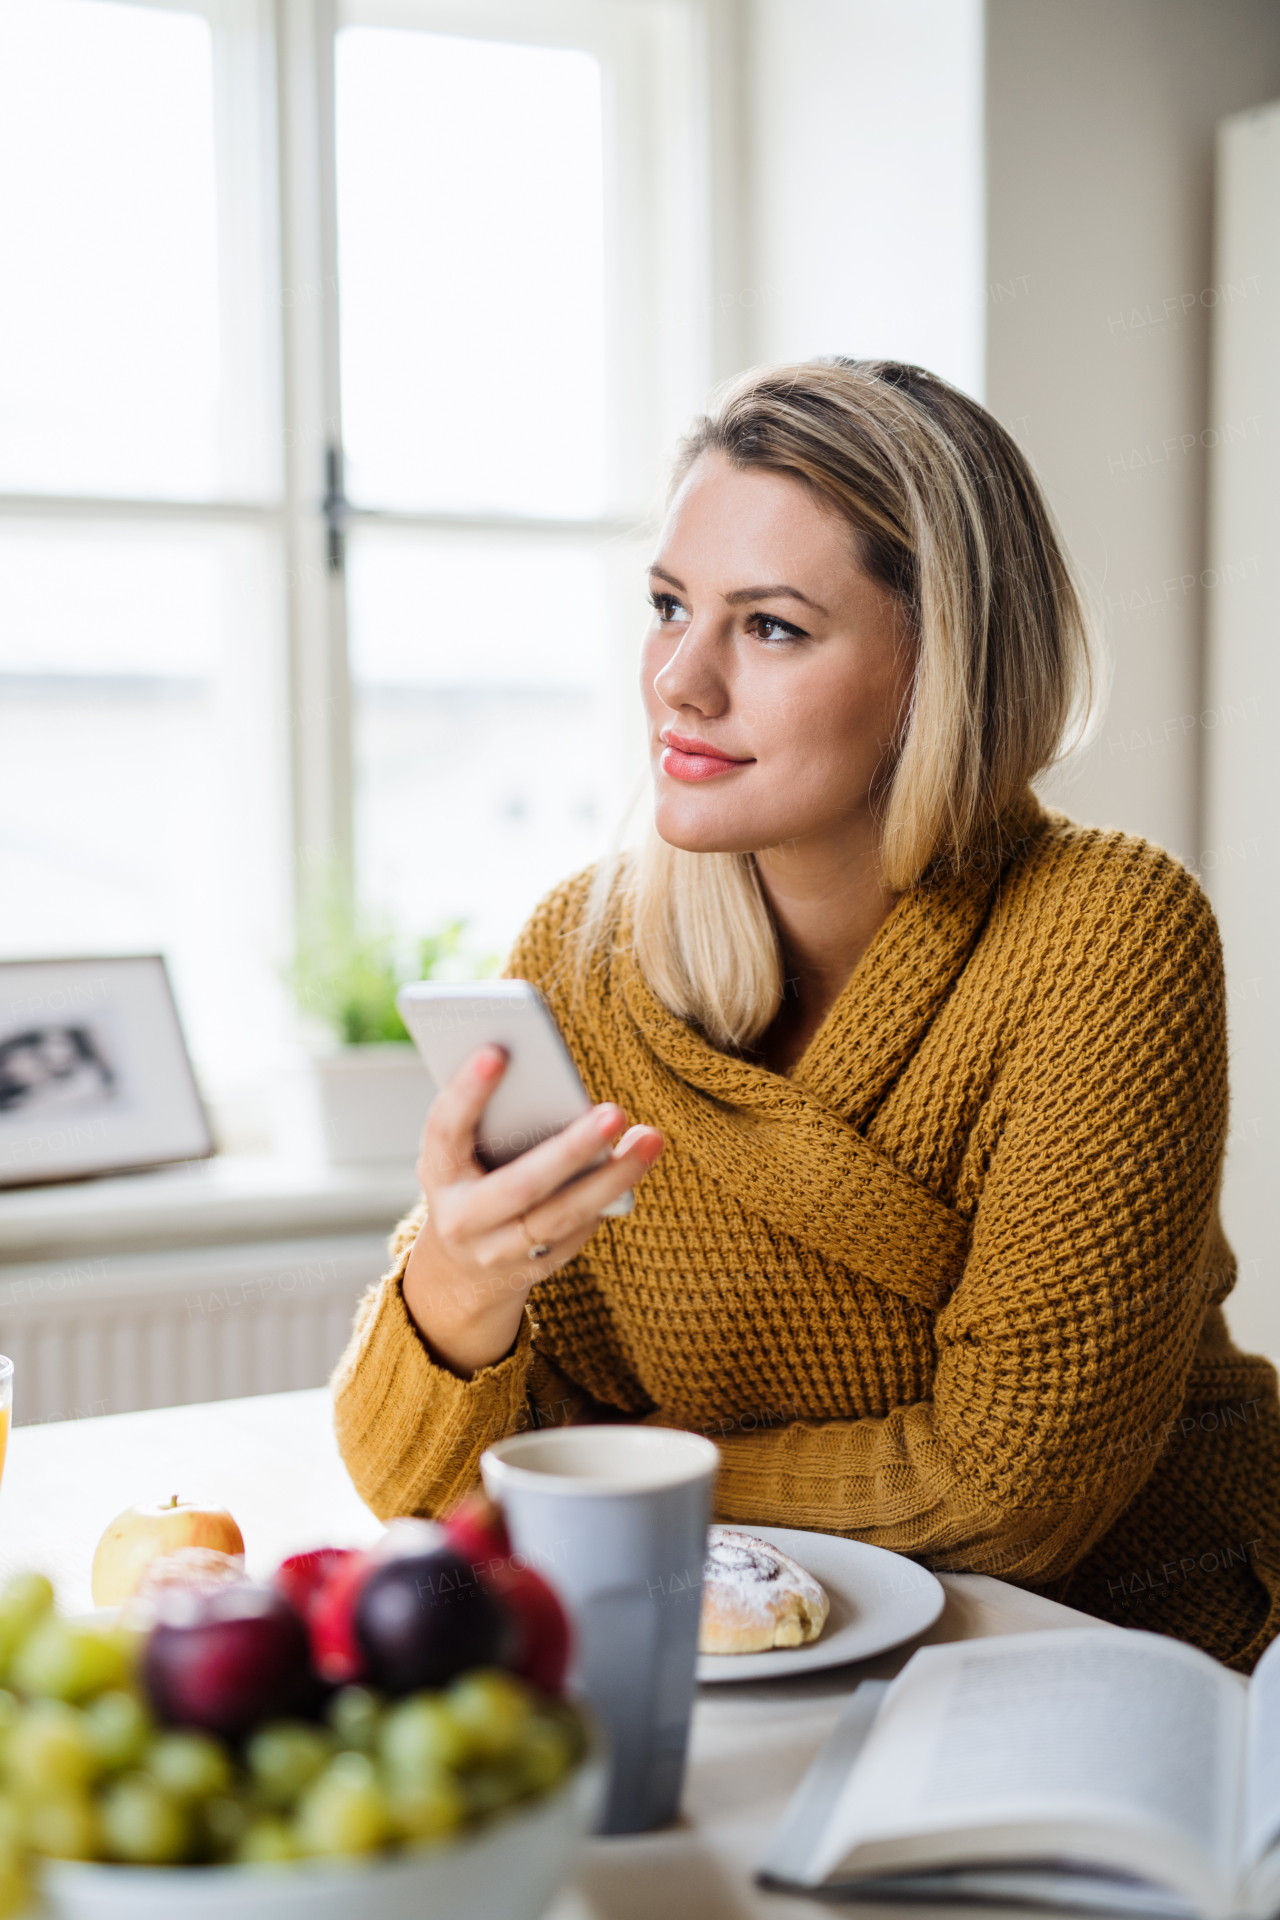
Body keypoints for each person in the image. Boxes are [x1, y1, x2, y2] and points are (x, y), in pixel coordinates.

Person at [333, 359, 1280, 1672]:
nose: (680, 680)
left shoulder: (1107, 929)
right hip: (742, 1657)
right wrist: (457, 1277)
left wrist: (624, 1488)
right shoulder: (587, 950)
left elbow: (1016, 1498)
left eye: (769, 626)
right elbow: (420, 1494)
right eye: (669, 607)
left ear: (942, 658)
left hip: (1113, 1649)